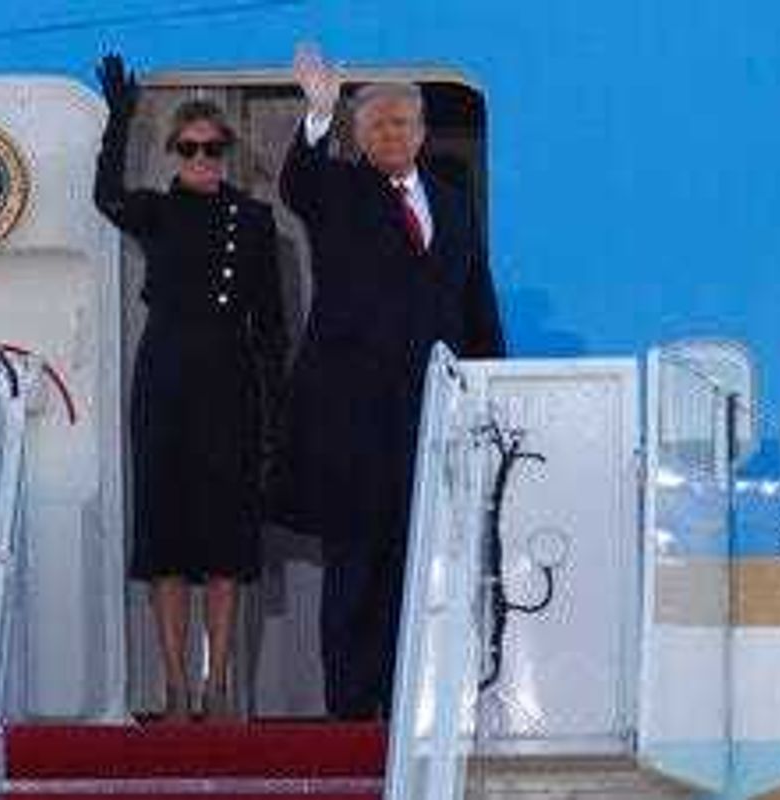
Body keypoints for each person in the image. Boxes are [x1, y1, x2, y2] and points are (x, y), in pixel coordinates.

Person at [274, 45, 505, 719]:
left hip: (431, 422)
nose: (391, 134)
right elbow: (298, 184)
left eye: (403, 123)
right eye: (376, 125)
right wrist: (318, 114)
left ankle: (410, 703)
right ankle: (351, 712)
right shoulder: (338, 190)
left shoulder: (454, 204)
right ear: (359, 134)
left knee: (421, 566)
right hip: (353, 424)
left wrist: (490, 383)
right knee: (355, 573)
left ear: (423, 132)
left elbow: (474, 301)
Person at [93, 54, 287, 720]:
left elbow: (273, 327)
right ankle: (176, 684)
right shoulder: (156, 211)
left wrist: (275, 416)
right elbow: (106, 199)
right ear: (174, 153)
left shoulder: (256, 223)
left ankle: (219, 683)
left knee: (226, 546)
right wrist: (119, 120)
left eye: (213, 147)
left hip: (230, 384)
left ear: (229, 153)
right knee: (168, 543)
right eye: (189, 147)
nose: (202, 157)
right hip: (168, 378)